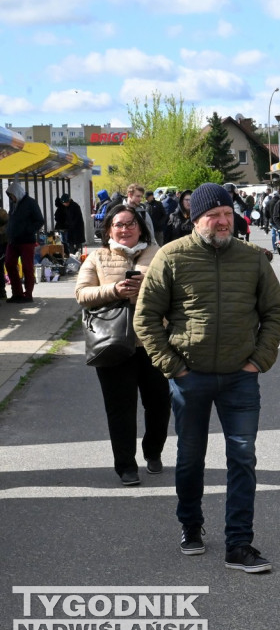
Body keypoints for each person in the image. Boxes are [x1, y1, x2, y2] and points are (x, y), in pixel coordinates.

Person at [134, 183, 280, 572]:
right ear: (195, 219)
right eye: (213, 215)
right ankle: (191, 525)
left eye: (227, 213)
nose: (223, 221)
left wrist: (258, 360)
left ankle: (239, 544)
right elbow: (146, 318)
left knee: (242, 456)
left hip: (241, 377)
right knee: (190, 459)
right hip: (190, 377)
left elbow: (275, 311)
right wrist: (174, 367)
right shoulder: (171, 257)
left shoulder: (253, 258)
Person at [75, 204, 169, 486]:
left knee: (160, 404)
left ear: (141, 227)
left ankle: (153, 451)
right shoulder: (97, 257)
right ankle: (126, 465)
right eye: (119, 224)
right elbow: (81, 293)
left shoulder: (160, 254)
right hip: (113, 342)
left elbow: (178, 290)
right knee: (120, 408)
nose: (125, 229)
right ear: (109, 229)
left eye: (130, 223)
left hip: (154, 342)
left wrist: (149, 289)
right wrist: (114, 290)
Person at [4, 180, 44, 304]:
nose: (11, 198)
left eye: (12, 195)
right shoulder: (14, 204)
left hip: (26, 241)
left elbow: (39, 220)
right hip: (13, 240)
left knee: (27, 268)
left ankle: (28, 294)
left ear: (17, 193)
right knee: (9, 264)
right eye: (10, 196)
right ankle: (17, 293)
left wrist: (28, 230)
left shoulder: (30, 203)